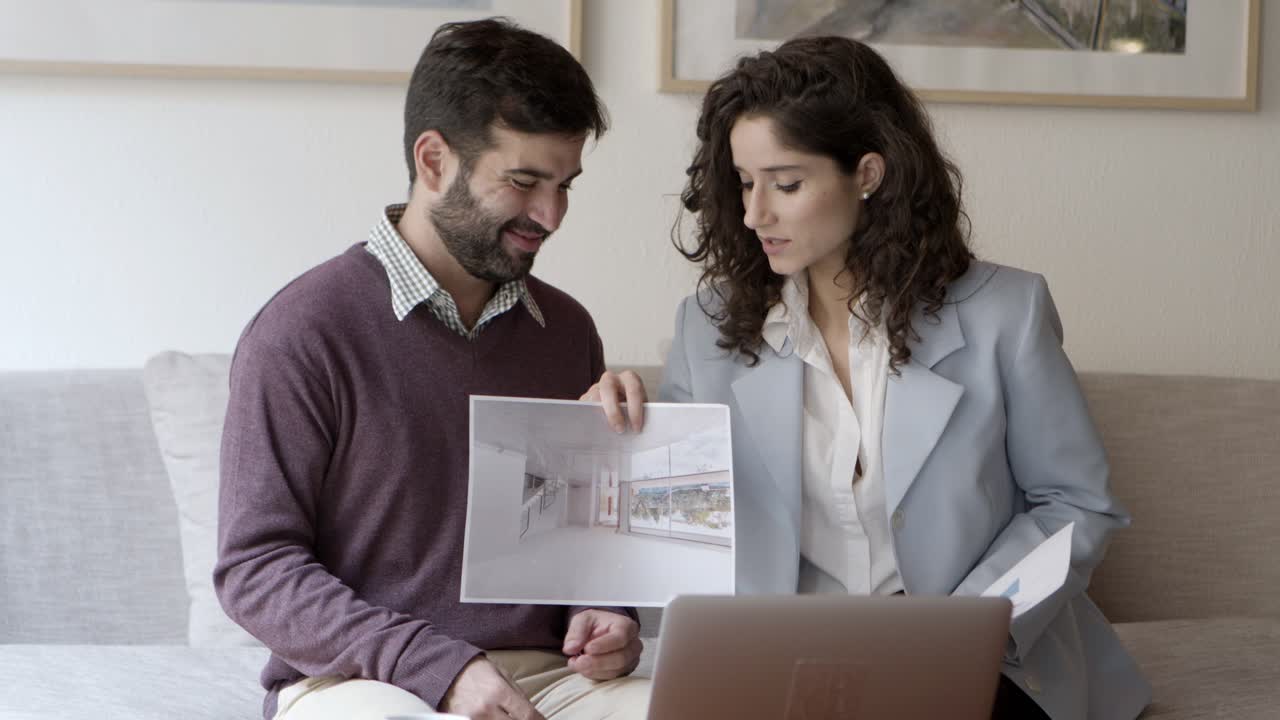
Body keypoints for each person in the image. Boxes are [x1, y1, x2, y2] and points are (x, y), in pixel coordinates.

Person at [587, 36, 1151, 720]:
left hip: (980, 660)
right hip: (786, 663)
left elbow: (1075, 503)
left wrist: (962, 632)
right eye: (743, 181)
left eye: (785, 184)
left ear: (869, 174)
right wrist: (614, 443)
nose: (754, 213)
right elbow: (685, 528)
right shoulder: (706, 327)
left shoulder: (1006, 312)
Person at [215, 19, 648, 720]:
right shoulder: (302, 331)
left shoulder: (567, 331)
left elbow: (579, 540)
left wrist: (606, 613)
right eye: (524, 182)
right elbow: (254, 569)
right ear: (434, 160)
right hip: (361, 681)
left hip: (547, 679)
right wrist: (440, 668)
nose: (551, 215)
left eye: (565, 185)